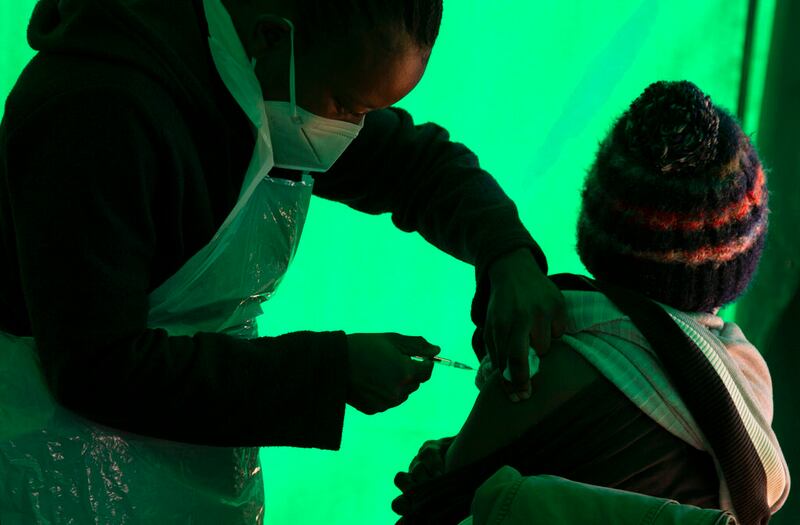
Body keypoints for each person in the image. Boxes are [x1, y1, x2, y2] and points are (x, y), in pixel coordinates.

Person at [0, 0, 567, 523]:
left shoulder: (282, 82)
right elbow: (98, 367)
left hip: (179, 444)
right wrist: (328, 372)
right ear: (272, 38)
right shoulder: (99, 112)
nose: (351, 130)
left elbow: (415, 166)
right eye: (347, 106)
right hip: (45, 461)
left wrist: (507, 253)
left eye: (370, 112)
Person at [392, 81, 791, 524]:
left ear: (597, 231)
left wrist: (440, 468)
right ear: (739, 261)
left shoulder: (538, 358)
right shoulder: (745, 391)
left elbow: (439, 504)